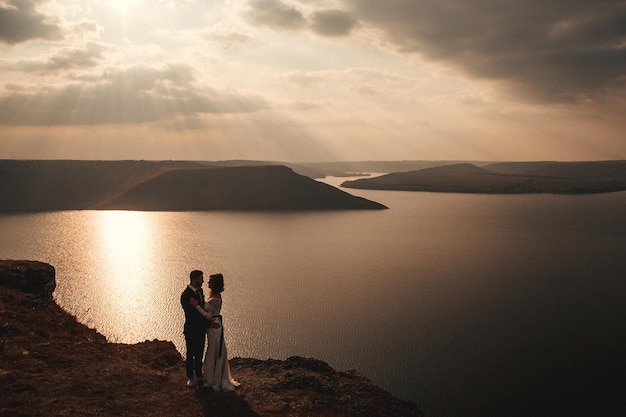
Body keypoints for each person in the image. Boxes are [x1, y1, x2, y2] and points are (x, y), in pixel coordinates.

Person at [190, 273, 240, 392]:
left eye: (210, 281)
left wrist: (197, 306)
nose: (208, 283)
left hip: (214, 327)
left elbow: (208, 315)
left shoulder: (216, 299)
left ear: (215, 284)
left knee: (213, 351)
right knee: (213, 350)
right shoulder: (214, 296)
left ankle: (214, 380)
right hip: (213, 327)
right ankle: (211, 378)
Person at [180, 269, 220, 387]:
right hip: (191, 329)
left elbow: (202, 309)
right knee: (190, 353)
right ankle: (190, 377)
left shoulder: (200, 291)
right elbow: (192, 315)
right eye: (201, 279)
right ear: (195, 279)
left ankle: (198, 374)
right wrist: (208, 324)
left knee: (199, 353)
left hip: (201, 330)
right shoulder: (186, 295)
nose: (203, 281)